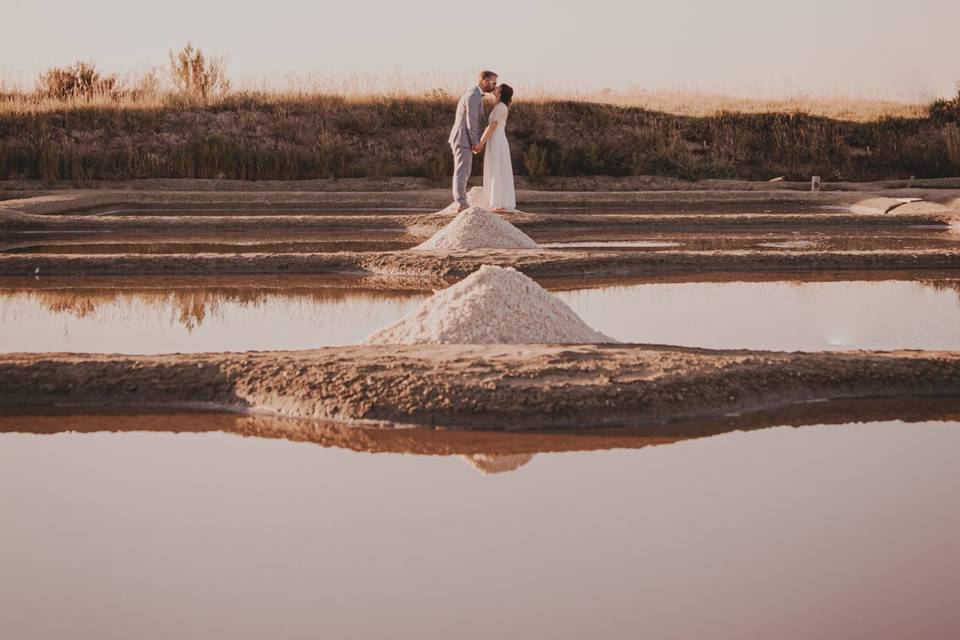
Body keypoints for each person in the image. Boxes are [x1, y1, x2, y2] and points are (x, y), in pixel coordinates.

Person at [448, 71, 498, 212]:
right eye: (493, 83)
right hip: (462, 138)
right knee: (462, 171)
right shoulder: (473, 95)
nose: (495, 86)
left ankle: (461, 201)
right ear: (484, 81)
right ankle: (461, 203)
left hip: (464, 138)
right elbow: (472, 121)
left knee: (464, 170)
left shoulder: (476, 95)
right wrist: (476, 142)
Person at [477, 84, 516, 212]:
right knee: (497, 169)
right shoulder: (499, 107)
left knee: (497, 169)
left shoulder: (500, 108)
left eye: (498, 87)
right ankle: (498, 202)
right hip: (496, 140)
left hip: (497, 141)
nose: (495, 87)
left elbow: (492, 127)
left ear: (501, 92)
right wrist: (482, 142)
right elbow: (490, 127)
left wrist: (481, 143)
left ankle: (499, 203)